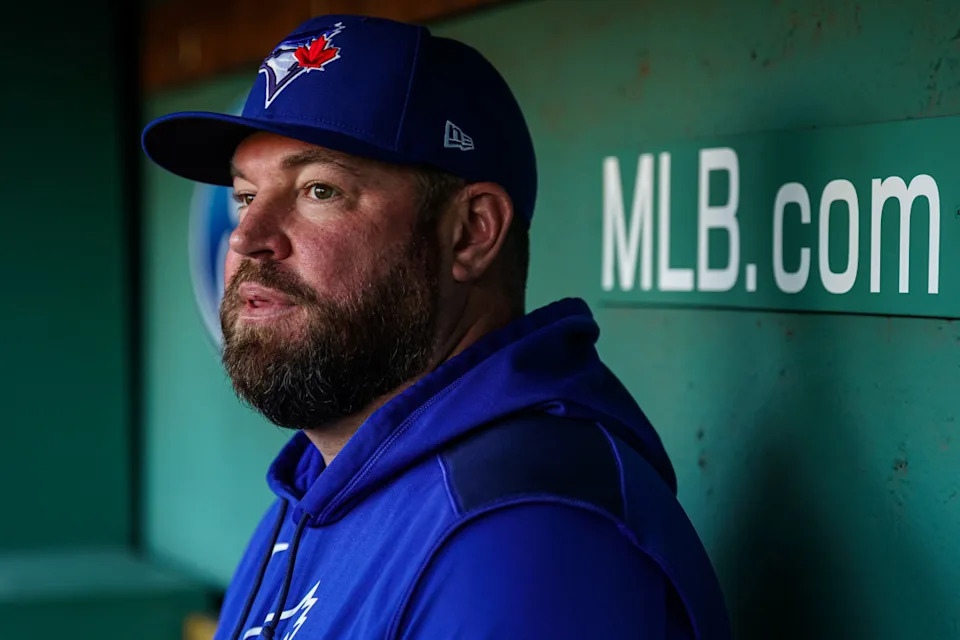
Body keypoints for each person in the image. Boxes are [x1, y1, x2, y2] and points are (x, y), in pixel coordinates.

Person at [142, 14, 730, 640]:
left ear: (471, 232)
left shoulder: (522, 537)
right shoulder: (319, 482)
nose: (247, 238)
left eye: (319, 190)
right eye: (244, 196)